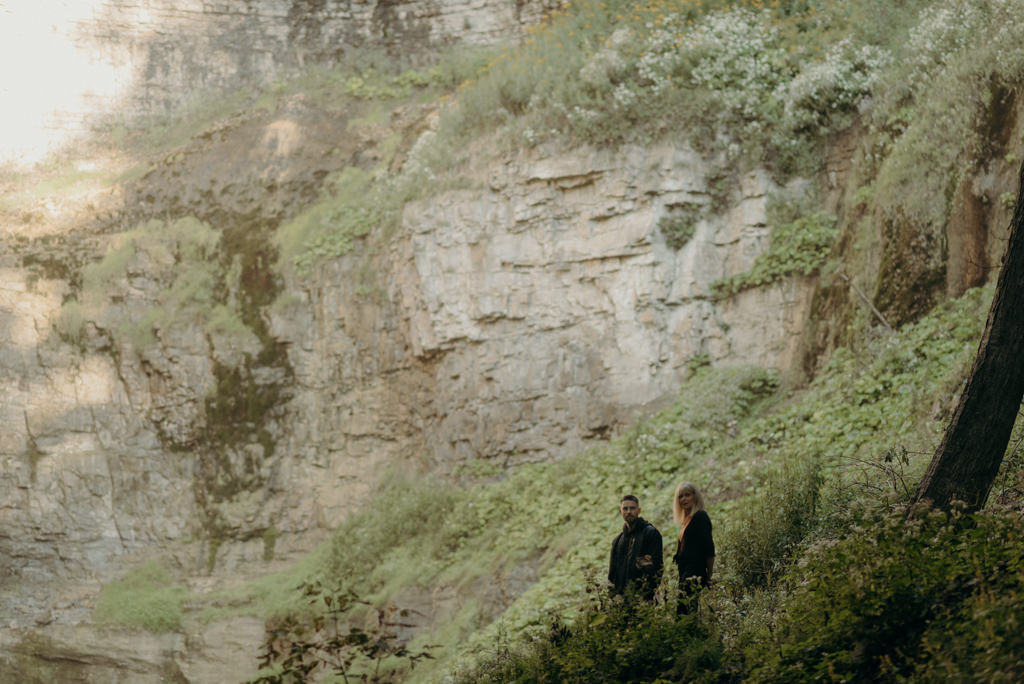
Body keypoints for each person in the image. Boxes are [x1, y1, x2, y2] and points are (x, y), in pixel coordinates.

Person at [608, 494, 663, 601]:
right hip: (621, 600)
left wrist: (647, 594)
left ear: (639, 510)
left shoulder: (650, 533)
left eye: (632, 508)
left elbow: (657, 567)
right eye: (625, 508)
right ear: (621, 512)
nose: (628, 511)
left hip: (642, 599)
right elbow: (612, 572)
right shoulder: (617, 540)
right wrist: (612, 596)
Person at [672, 481, 715, 615]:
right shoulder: (687, 521)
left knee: (686, 615)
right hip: (685, 575)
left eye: (687, 495)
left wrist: (709, 575)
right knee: (685, 614)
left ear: (695, 496)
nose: (684, 499)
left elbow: (709, 548)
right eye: (680, 496)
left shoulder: (700, 517)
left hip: (694, 575)